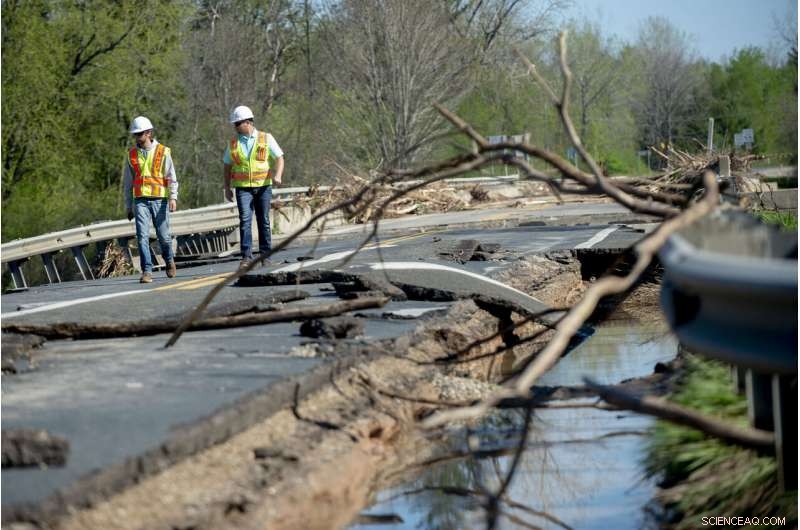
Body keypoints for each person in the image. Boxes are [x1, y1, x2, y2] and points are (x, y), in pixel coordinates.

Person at [223, 105, 284, 269]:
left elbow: (279, 158)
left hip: (263, 186)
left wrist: (278, 175)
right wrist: (227, 187)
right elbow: (227, 165)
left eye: (237, 124)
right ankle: (246, 257)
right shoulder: (233, 143)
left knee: (263, 220)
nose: (235, 127)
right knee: (245, 220)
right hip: (243, 188)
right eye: (234, 124)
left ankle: (265, 256)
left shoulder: (266, 138)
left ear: (248, 122)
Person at [123, 116, 178, 283]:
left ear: (148, 133)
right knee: (142, 236)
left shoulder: (163, 151)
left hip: (159, 200)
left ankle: (169, 260)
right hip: (140, 201)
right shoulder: (132, 155)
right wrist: (128, 205)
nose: (137, 138)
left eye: (139, 134)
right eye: (135, 135)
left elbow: (171, 177)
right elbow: (128, 183)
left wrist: (173, 197)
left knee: (164, 236)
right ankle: (147, 271)